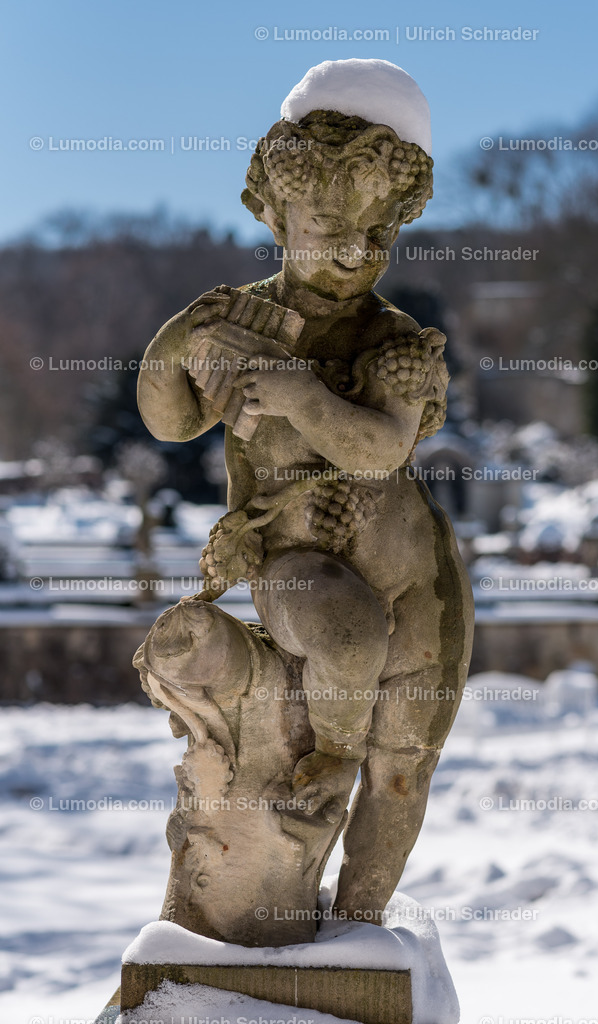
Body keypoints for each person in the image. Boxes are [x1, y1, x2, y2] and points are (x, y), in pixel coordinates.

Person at [137, 60, 473, 920]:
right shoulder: (239, 324)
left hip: (419, 575)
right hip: (296, 559)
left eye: (379, 234)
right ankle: (332, 755)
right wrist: (181, 338)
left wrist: (300, 394)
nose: (357, 252)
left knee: (404, 771)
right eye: (331, 227)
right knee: (346, 637)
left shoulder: (395, 339)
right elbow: (170, 420)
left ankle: (361, 927)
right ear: (275, 214)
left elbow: (380, 450)